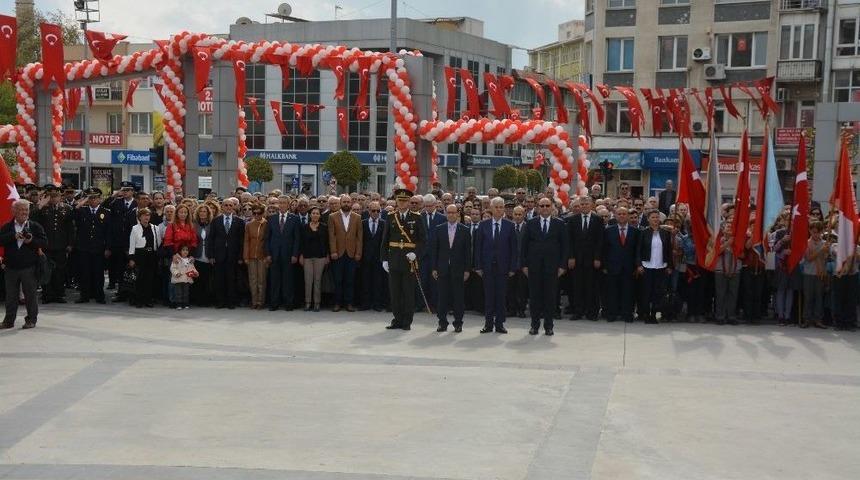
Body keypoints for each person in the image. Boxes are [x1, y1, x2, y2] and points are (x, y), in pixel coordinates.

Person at [521, 197, 568, 335]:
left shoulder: (560, 224)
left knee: (550, 297)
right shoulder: (530, 223)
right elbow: (524, 246)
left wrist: (562, 266)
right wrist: (524, 265)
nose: (545, 208)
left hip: (552, 268)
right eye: (542, 205)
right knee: (534, 298)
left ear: (552, 207)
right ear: (537, 207)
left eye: (547, 205)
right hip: (534, 267)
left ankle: (549, 326)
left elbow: (565, 247)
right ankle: (534, 325)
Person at [381, 189, 426, 330]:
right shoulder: (390, 217)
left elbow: (423, 240)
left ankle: (407, 321)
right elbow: (385, 240)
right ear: (396, 201)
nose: (402, 203)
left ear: (409, 202)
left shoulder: (417, 217)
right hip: (394, 258)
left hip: (409, 260)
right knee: (395, 292)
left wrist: (416, 253)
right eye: (400, 200)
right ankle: (397, 319)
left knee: (408, 292)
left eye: (405, 201)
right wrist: (384, 259)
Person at [0, 199, 47, 329]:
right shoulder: (7, 226)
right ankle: (9, 321)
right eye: (21, 209)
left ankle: (31, 320)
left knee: (30, 295)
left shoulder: (35, 226)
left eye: (26, 210)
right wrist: (13, 236)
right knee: (11, 296)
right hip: (11, 268)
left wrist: (31, 241)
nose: (24, 212)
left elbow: (44, 243)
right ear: (14, 211)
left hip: (29, 267)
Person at [474, 197, 517, 334]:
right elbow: (478, 248)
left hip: (503, 268)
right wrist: (478, 266)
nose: (499, 209)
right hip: (487, 268)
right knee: (489, 296)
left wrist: (512, 268)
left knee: (501, 296)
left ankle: (500, 324)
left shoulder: (510, 225)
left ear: (504, 209)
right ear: (491, 209)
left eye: (501, 207)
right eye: (496, 207)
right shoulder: (483, 225)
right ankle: (488, 324)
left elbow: (514, 249)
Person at [431, 204, 471, 332]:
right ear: (446, 214)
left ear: (458, 214)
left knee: (458, 298)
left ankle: (458, 322)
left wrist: (467, 270)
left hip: (458, 269)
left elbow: (467, 252)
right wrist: (434, 268)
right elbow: (435, 250)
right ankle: (442, 322)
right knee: (442, 297)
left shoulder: (464, 230)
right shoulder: (439, 229)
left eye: (454, 212)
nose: (451, 215)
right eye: (449, 212)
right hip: (442, 269)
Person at [34, 184, 74, 304]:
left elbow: (70, 228)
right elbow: (33, 222)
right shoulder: (42, 209)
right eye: (51, 196)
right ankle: (47, 295)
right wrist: (40, 205)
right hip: (46, 246)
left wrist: (70, 244)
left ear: (60, 196)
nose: (53, 198)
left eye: (56, 196)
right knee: (46, 271)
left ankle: (59, 294)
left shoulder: (66, 208)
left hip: (61, 246)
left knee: (60, 271)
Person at [568, 195, 604, 320]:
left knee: (591, 287)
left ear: (591, 205)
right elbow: (570, 241)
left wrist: (597, 258)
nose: (584, 206)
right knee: (577, 287)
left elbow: (600, 241)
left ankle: (591, 312)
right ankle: (578, 311)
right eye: (582, 204)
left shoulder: (598, 220)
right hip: (576, 260)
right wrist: (571, 257)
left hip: (592, 260)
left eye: (586, 204)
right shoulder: (572, 220)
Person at [601, 206, 639, 322]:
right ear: (615, 216)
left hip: (629, 268)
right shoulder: (608, 231)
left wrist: (636, 266)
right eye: (619, 214)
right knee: (612, 292)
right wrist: (605, 266)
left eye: (624, 214)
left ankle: (627, 314)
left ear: (627, 216)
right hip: (612, 267)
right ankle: (612, 314)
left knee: (628, 292)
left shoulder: (636, 232)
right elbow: (604, 249)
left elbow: (637, 250)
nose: (622, 216)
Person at [73, 187, 110, 304]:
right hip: (84, 247)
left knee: (98, 273)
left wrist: (108, 248)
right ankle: (84, 295)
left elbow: (109, 232)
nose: (93, 200)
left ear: (100, 199)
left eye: (95, 198)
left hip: (99, 248)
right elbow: (73, 212)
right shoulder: (82, 210)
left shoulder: (106, 212)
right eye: (91, 198)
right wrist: (84, 200)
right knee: (85, 272)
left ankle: (99, 295)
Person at [636, 210, 674, 323]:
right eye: (653, 217)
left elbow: (668, 251)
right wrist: (638, 264)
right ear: (648, 219)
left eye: (657, 217)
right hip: (647, 266)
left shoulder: (665, 233)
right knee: (646, 292)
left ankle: (654, 314)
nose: (655, 219)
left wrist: (669, 266)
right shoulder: (643, 232)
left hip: (661, 267)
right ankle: (646, 314)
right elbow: (638, 250)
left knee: (657, 292)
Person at [207, 198, 245, 309]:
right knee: (219, 280)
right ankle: (220, 301)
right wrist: (211, 255)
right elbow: (211, 239)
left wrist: (240, 256)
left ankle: (231, 302)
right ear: (222, 207)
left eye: (230, 205)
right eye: (226, 205)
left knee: (231, 279)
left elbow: (241, 241)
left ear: (234, 207)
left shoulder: (239, 221)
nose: (228, 207)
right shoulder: (216, 221)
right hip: (219, 255)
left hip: (233, 256)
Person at [328, 193, 363, 312]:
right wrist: (333, 251)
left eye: (348, 202)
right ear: (340, 203)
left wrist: (358, 252)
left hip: (352, 253)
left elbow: (359, 237)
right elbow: (331, 236)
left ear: (351, 203)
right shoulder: (332, 217)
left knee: (350, 280)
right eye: (344, 202)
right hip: (338, 253)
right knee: (338, 280)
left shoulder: (357, 217)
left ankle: (349, 303)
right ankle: (337, 303)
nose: (346, 204)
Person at [266, 195, 301, 311]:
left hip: (289, 254)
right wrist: (268, 254)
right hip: (274, 254)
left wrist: (295, 254)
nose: (281, 205)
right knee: (274, 280)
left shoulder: (294, 219)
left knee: (288, 280)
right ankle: (274, 303)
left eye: (284, 203)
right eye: (280, 203)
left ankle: (288, 303)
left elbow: (297, 239)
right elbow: (267, 238)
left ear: (288, 204)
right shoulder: (271, 218)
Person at [107, 181, 137, 289]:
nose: (125, 192)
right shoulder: (116, 202)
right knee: (117, 265)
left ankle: (128, 289)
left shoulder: (136, 204)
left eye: (127, 190)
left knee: (129, 266)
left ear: (132, 191)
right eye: (123, 190)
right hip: (118, 240)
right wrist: (114, 195)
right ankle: (118, 288)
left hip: (131, 240)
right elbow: (105, 205)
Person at [127, 208, 159, 308]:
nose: (146, 217)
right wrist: (131, 258)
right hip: (140, 255)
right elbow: (132, 244)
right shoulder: (135, 228)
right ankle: (139, 300)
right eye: (144, 215)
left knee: (149, 279)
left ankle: (148, 299)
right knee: (139, 278)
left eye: (148, 215)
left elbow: (159, 241)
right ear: (139, 217)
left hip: (151, 255)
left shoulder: (155, 228)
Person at [300, 206, 329, 311]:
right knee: (308, 280)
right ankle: (308, 302)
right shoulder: (304, 227)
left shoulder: (324, 227)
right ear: (310, 215)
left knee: (317, 280)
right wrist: (301, 256)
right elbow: (301, 243)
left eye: (317, 213)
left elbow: (327, 243)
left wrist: (327, 256)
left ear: (320, 215)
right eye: (313, 213)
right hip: (307, 257)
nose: (315, 215)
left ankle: (317, 303)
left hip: (320, 257)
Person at [361, 201, 387, 311]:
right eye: (373, 211)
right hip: (365, 257)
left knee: (378, 281)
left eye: (378, 211)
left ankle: (377, 304)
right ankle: (366, 303)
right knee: (365, 280)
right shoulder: (362, 223)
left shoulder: (384, 223)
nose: (375, 213)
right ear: (369, 211)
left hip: (378, 257)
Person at [801, 222, 828, 329]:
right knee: (808, 297)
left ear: (821, 232)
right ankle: (807, 319)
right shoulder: (807, 243)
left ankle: (818, 319)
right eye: (813, 232)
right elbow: (809, 258)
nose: (815, 234)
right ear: (810, 231)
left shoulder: (825, 243)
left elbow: (826, 258)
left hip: (820, 273)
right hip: (809, 273)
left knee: (819, 297)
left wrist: (826, 251)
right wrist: (821, 250)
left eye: (818, 232)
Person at [244, 204, 269, 309]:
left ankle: (260, 302)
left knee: (261, 280)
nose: (256, 215)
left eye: (259, 213)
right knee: (252, 280)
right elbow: (246, 241)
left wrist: (268, 255)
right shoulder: (249, 225)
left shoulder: (267, 224)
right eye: (254, 213)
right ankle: (254, 301)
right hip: (251, 255)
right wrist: (245, 256)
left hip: (262, 255)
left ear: (263, 213)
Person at [192, 204, 214, 306]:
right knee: (198, 278)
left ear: (208, 213)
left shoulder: (212, 224)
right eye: (200, 211)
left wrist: (212, 256)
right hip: (197, 254)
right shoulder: (194, 224)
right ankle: (198, 300)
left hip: (208, 255)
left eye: (204, 211)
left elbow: (214, 240)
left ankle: (207, 300)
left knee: (208, 279)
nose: (202, 213)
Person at [170, 245, 197, 310]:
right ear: (180, 251)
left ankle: (185, 304)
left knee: (186, 293)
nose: (185, 251)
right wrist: (176, 273)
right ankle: (178, 304)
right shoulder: (176, 259)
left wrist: (195, 272)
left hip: (186, 280)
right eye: (183, 250)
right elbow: (173, 268)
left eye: (187, 250)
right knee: (178, 293)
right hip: (178, 279)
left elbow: (192, 268)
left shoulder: (190, 260)